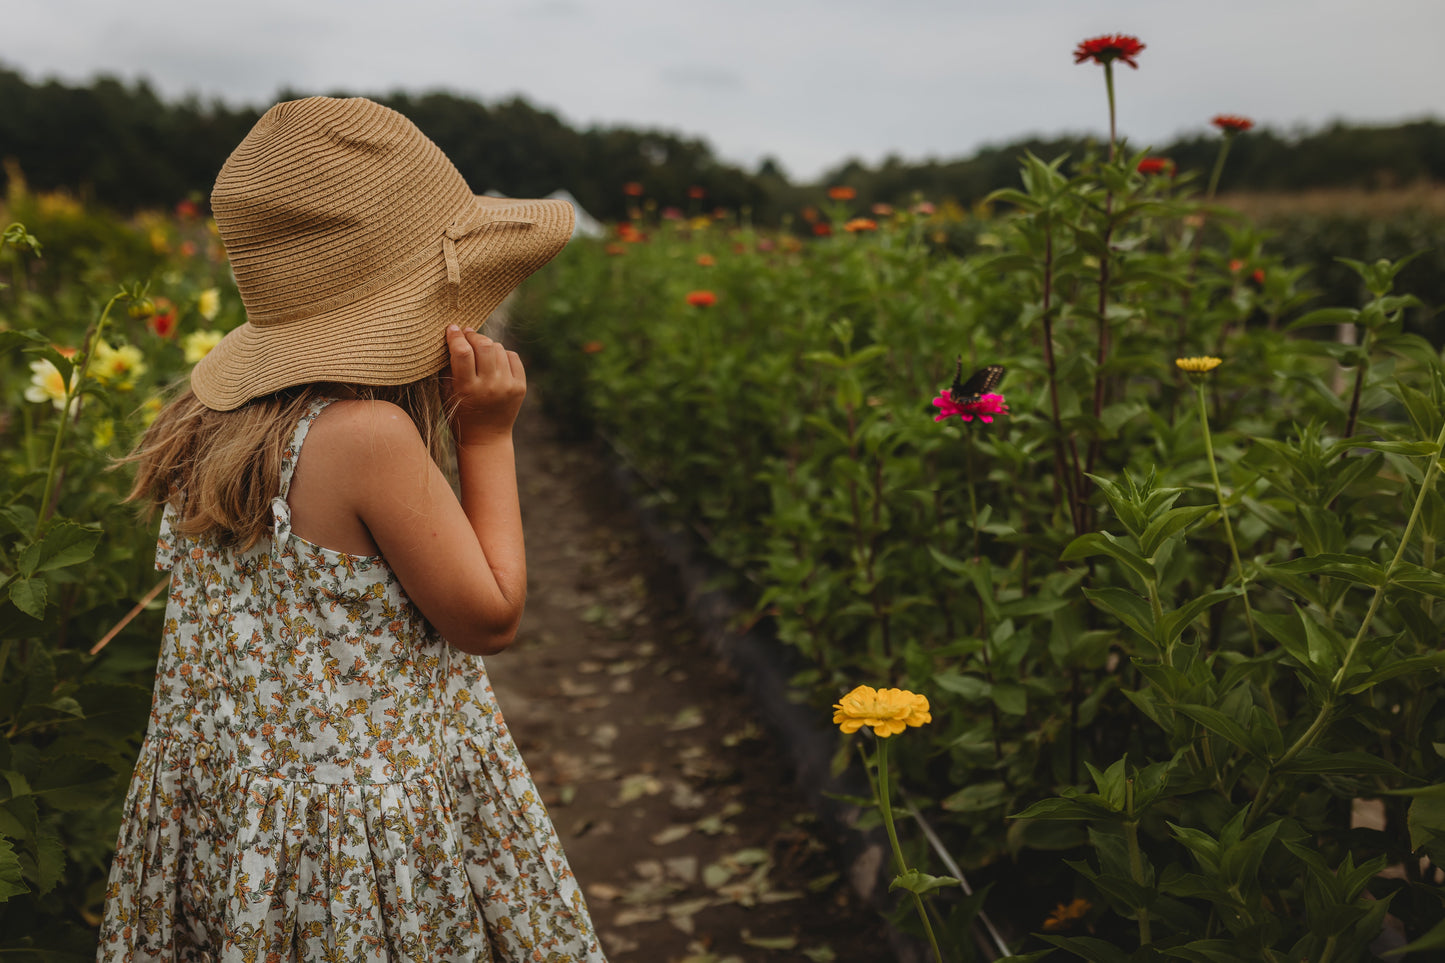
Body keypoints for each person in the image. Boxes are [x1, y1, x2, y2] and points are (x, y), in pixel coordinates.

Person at [97, 96, 607, 962]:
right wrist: (486, 436)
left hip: (237, 823)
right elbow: (489, 616)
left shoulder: (202, 419)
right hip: (357, 842)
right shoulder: (368, 437)